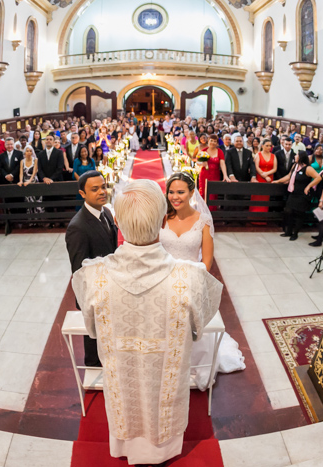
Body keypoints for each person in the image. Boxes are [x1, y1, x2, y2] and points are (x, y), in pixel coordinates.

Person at [72, 179, 222, 465]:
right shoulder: (190, 277)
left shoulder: (91, 275)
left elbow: (92, 330)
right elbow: (199, 326)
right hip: (167, 380)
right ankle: (163, 452)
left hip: (121, 380)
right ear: (163, 218)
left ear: (117, 220)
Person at [160, 172, 244, 390]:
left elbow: (206, 262)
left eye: (180, 192)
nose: (175, 197)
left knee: (190, 329)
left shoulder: (203, 222)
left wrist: (186, 280)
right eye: (171, 192)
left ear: (191, 192)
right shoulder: (161, 217)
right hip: (162, 281)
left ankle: (195, 365)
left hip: (190, 282)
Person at [66, 171, 117, 368]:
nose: (101, 192)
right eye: (94, 189)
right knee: (94, 336)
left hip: (110, 286)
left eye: (103, 187)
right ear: (82, 193)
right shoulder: (77, 227)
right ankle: (93, 367)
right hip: (93, 293)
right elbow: (80, 270)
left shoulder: (106, 212)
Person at [274, 151, 322, 241]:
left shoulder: (308, 168)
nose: (295, 156)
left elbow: (318, 177)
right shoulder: (295, 166)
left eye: (297, 155)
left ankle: (295, 233)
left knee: (299, 214)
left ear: (301, 157)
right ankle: (288, 232)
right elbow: (289, 176)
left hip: (302, 195)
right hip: (293, 193)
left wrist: (309, 186)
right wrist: (278, 181)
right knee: (288, 211)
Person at [250, 138, 277, 217]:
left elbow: (275, 168)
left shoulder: (273, 155)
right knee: (257, 196)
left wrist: (267, 174)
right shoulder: (258, 154)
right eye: (267, 146)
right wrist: (263, 175)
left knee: (265, 197)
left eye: (270, 146)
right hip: (259, 177)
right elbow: (256, 167)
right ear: (262, 146)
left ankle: (263, 216)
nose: (269, 147)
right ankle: (253, 216)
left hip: (269, 178)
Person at [17, 146, 41, 216]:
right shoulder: (22, 161)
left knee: (36, 201)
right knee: (28, 202)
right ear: (25, 152)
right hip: (25, 182)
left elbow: (34, 172)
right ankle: (31, 220)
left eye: (30, 151)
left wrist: (29, 181)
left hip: (34, 181)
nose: (29, 152)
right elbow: (21, 173)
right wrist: (21, 181)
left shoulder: (35, 160)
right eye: (27, 151)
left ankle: (38, 220)